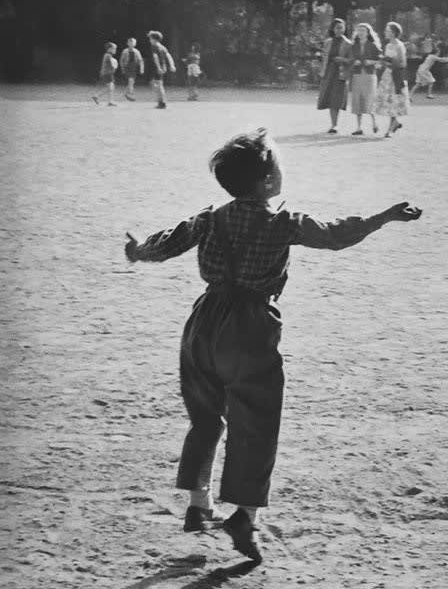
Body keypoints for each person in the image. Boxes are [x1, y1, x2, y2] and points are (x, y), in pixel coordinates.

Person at [124, 128, 422, 563]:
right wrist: (383, 217)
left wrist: (137, 250)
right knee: (256, 423)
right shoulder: (285, 223)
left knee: (204, 416)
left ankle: (197, 502)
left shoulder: (209, 218)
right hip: (250, 327)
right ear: (266, 182)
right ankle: (244, 515)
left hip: (203, 323)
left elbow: (165, 243)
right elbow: (336, 234)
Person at [316, 18, 353, 133]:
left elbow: (352, 60)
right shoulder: (328, 42)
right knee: (329, 97)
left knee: (336, 99)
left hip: (340, 73)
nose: (339, 30)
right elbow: (324, 57)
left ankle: (335, 125)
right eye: (337, 27)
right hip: (329, 72)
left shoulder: (348, 44)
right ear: (333, 28)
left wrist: (342, 59)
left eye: (342, 27)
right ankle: (333, 124)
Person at [375, 22, 409, 137]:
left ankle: (391, 127)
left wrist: (391, 61)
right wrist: (382, 63)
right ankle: (394, 123)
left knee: (394, 99)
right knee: (388, 100)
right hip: (387, 75)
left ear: (394, 33)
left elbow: (402, 63)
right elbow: (386, 62)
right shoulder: (388, 45)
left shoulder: (399, 45)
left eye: (388, 30)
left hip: (396, 75)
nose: (385, 32)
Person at [348, 22, 382, 135]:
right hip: (357, 75)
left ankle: (374, 123)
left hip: (369, 75)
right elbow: (349, 60)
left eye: (363, 30)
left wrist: (371, 62)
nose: (360, 33)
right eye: (359, 30)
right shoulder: (353, 46)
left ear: (368, 33)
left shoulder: (373, 45)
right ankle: (359, 127)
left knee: (370, 99)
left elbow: (381, 61)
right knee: (358, 100)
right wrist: (354, 62)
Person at [147, 31, 176, 109]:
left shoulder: (154, 46)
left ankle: (162, 102)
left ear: (154, 39)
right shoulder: (163, 47)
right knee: (158, 84)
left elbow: (155, 57)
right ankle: (161, 102)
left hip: (158, 67)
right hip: (163, 67)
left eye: (150, 38)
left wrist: (158, 67)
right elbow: (169, 56)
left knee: (157, 85)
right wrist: (172, 65)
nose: (149, 40)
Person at [92, 42, 118, 106]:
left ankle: (96, 96)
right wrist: (115, 63)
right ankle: (110, 102)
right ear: (109, 49)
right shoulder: (108, 55)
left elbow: (111, 65)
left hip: (106, 73)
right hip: (107, 74)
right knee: (111, 87)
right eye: (114, 48)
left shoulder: (107, 55)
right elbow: (112, 64)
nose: (115, 50)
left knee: (110, 87)